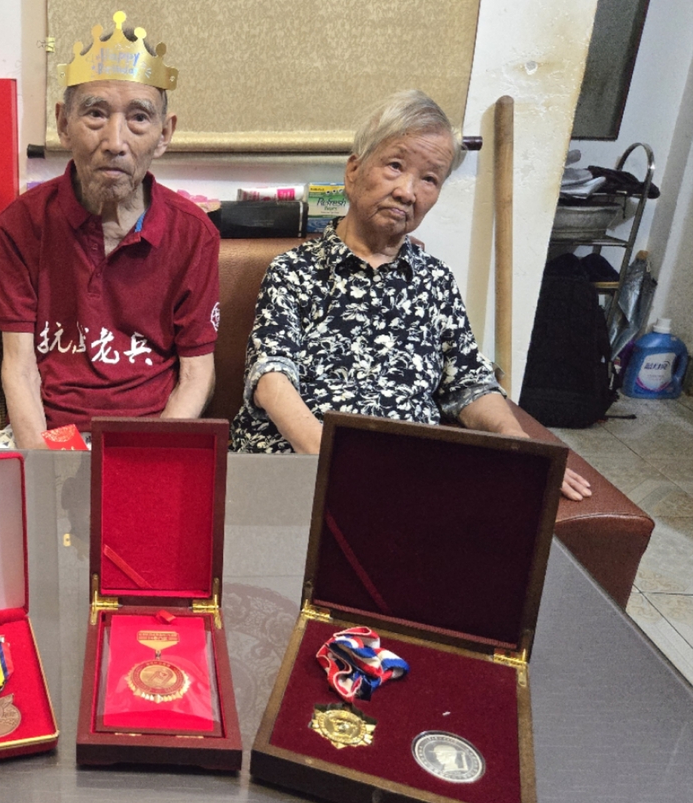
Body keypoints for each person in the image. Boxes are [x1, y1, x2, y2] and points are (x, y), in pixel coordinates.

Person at [231, 90, 591, 501]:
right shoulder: (294, 270)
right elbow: (271, 377)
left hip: (406, 478)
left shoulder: (436, 281)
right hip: (296, 467)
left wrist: (520, 444)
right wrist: (333, 463)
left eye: (429, 179)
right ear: (353, 171)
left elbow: (470, 384)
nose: (407, 191)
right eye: (395, 166)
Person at [0, 11, 220, 449]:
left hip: (148, 435)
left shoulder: (194, 235)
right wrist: (43, 463)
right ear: (63, 124)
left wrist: (149, 458)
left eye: (139, 118)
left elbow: (197, 374)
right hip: (51, 434)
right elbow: (19, 368)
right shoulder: (23, 224)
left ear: (164, 134)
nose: (115, 142)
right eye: (95, 114)